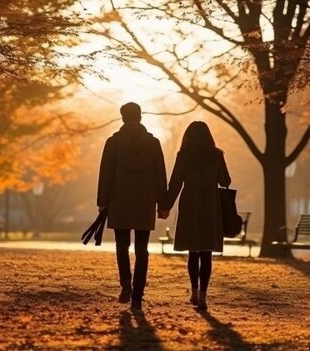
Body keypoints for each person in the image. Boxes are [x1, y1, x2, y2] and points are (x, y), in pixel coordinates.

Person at [97, 102, 169, 310]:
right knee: (142, 249)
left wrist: (103, 202)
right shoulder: (153, 143)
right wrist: (162, 203)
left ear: (122, 117)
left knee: (121, 246)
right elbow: (160, 175)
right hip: (145, 202)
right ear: (140, 116)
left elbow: (106, 173)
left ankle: (126, 283)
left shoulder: (113, 142)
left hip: (119, 200)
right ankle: (138, 296)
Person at [162, 121, 231, 310]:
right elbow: (225, 181)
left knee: (193, 251)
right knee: (206, 252)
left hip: (190, 203)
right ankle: (203, 296)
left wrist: (166, 206)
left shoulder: (183, 155)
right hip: (210, 205)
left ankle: (193, 291)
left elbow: (175, 182)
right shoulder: (216, 155)